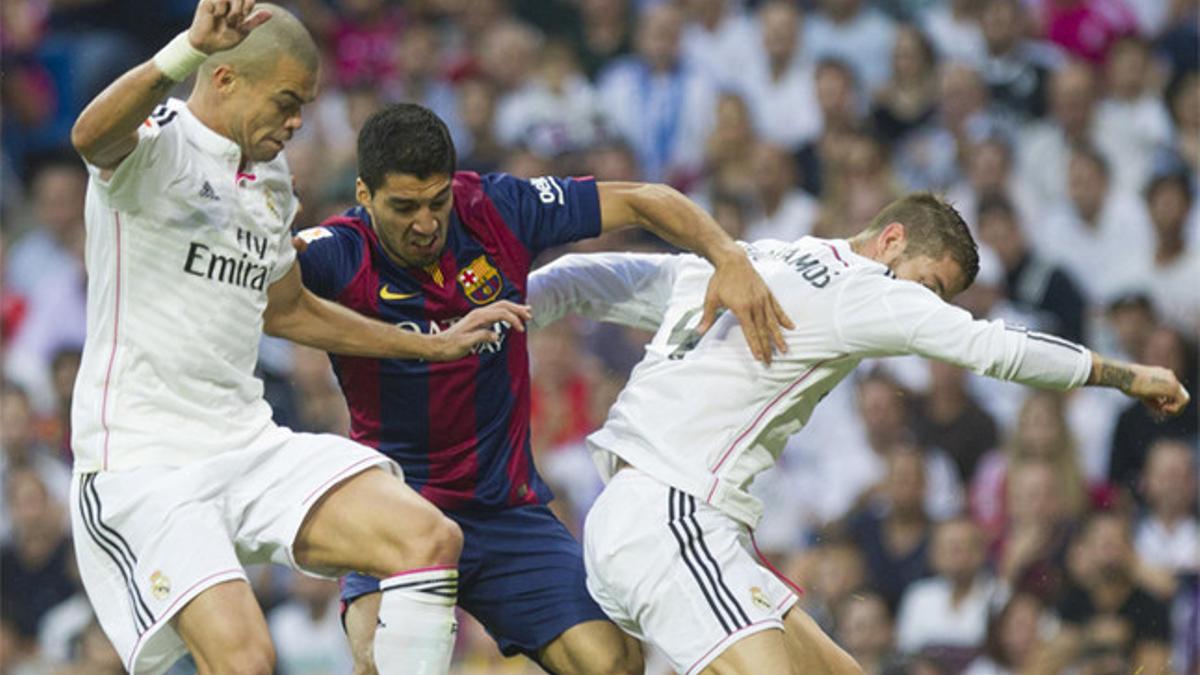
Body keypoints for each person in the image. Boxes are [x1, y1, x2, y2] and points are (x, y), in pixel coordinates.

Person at [524, 192, 1189, 674]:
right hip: (669, 518)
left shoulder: (752, 257)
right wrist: (1125, 375)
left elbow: (592, 279)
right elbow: (995, 348)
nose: (927, 306)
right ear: (892, 238)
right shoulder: (860, 286)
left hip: (675, 522)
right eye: (931, 285)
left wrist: (511, 308)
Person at [67, 3, 532, 673]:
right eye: (286, 102)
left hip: (245, 441)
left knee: (427, 535)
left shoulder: (271, 181)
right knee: (248, 660)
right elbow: (90, 137)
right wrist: (186, 49)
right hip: (143, 460)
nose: (297, 122)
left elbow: (288, 310)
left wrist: (430, 345)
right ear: (224, 79)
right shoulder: (157, 144)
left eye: (304, 106)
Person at [294, 102, 790, 674]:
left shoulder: (498, 207)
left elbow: (643, 199)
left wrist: (728, 256)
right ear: (365, 193)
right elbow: (264, 296)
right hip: (395, 509)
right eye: (404, 208)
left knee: (613, 664)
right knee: (381, 667)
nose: (426, 223)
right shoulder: (335, 253)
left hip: (504, 513)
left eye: (437, 202)